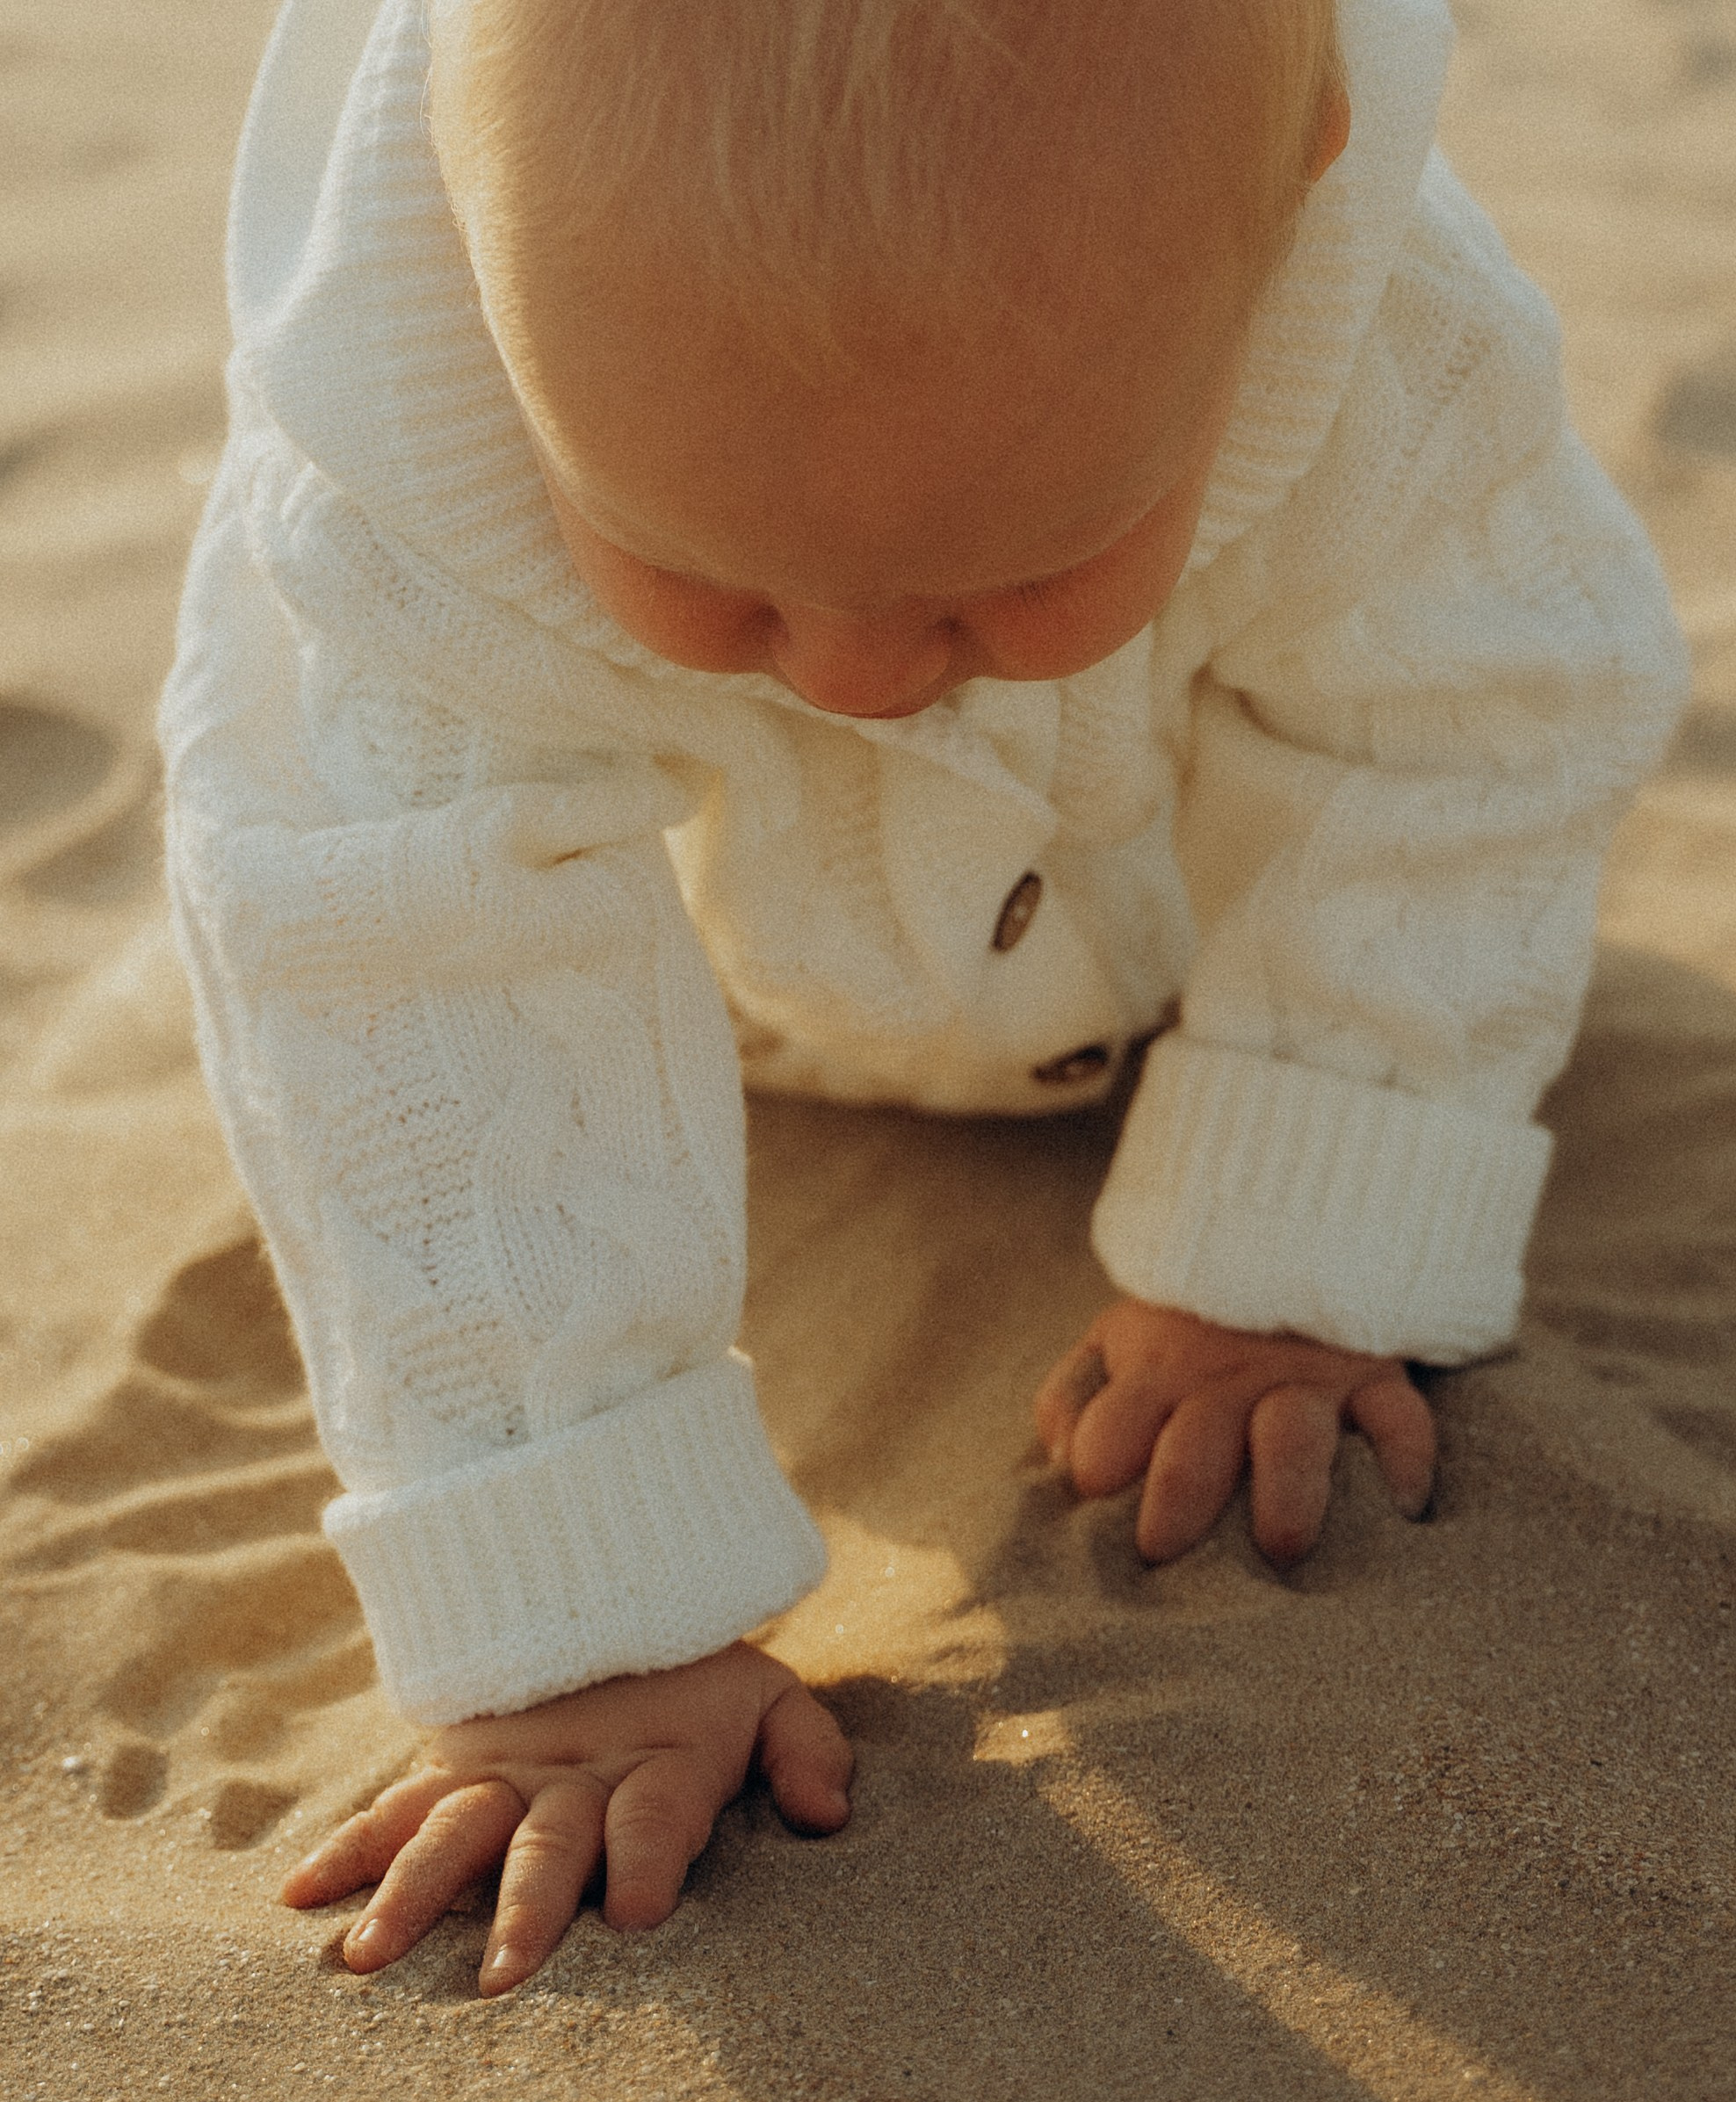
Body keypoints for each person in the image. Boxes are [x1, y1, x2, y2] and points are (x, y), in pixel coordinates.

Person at [158, 0, 1688, 1993]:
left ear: (1306, 174)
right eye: (699, 566)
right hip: (728, 987)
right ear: (460, 211)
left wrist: (1309, 1211)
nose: (858, 679)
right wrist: (577, 1591)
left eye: (1009, 570)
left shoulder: (1391, 337)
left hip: (1150, 913)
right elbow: (396, 954)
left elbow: (1474, 720)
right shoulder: (391, 485)